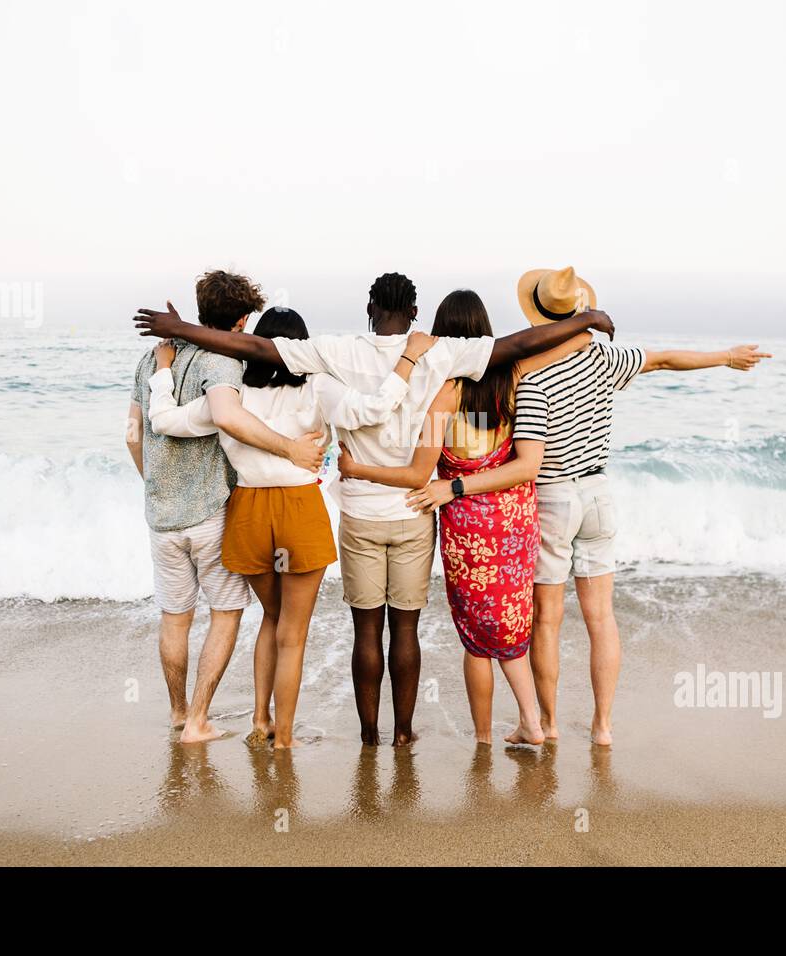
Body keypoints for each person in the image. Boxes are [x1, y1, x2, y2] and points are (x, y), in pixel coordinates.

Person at [134, 273, 613, 746]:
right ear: (415, 313)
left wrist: (182, 332)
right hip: (412, 511)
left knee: (343, 627)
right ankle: (402, 733)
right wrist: (582, 322)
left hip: (341, 515)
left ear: (369, 309)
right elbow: (517, 345)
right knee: (404, 627)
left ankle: (354, 734)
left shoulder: (335, 352)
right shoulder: (441, 352)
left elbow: (257, 352)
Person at [145, 308, 438, 748]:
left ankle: (260, 721)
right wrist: (408, 360)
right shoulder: (318, 387)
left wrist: (163, 373)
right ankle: (283, 738)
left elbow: (163, 420)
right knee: (293, 635)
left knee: (272, 618)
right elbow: (376, 408)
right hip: (298, 510)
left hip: (247, 512)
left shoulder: (232, 392)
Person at [511, 265, 772, 747]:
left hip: (553, 497)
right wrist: (727, 357)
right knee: (601, 617)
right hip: (598, 493)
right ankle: (603, 727)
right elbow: (667, 360)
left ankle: (546, 726)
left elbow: (530, 457)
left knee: (546, 619)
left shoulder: (529, 373)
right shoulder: (607, 360)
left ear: (536, 317)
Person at [338, 289, 590, 747]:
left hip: (468, 525)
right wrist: (584, 320)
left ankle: (483, 739)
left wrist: (357, 469)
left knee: (477, 638)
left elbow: (418, 472)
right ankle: (531, 721)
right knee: (512, 626)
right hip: (515, 516)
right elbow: (572, 343)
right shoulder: (514, 373)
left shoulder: (445, 394)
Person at [125, 270, 324, 744]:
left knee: (176, 616)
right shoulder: (227, 367)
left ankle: (187, 715)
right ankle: (206, 722)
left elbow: (136, 433)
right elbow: (229, 417)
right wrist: (291, 450)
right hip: (217, 511)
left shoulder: (150, 360)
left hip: (167, 514)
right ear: (240, 321)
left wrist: (155, 485)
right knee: (234, 616)